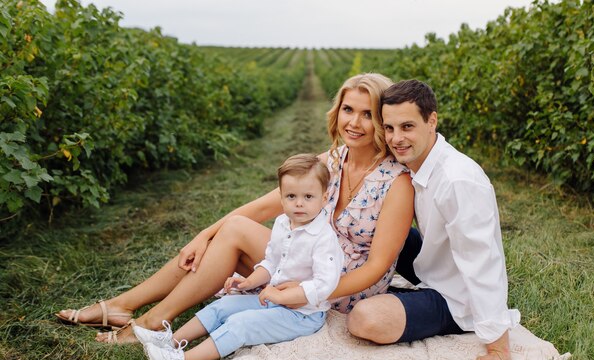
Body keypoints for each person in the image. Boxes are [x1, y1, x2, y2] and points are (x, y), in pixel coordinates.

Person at [55, 73, 414, 344]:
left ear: (382, 120)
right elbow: (258, 209)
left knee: (236, 232)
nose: (353, 122)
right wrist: (201, 235)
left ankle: (151, 322)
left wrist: (308, 292)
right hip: (304, 259)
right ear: (337, 112)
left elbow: (377, 267)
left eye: (367, 114)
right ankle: (126, 306)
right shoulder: (330, 161)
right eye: (348, 110)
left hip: (341, 286)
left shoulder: (395, 183)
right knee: (229, 232)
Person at [346, 79, 520, 360]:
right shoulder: (413, 161)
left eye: (407, 127)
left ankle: (417, 305)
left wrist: (498, 349)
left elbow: (482, 262)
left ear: (432, 121)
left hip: (456, 296)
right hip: (435, 264)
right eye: (389, 128)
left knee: (364, 319)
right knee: (370, 226)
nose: (396, 138)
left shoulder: (457, 180)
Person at [132, 154, 344, 360]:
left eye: (308, 197)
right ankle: (170, 342)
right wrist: (249, 281)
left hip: (303, 314)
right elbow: (271, 262)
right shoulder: (283, 223)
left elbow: (324, 285)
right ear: (281, 198)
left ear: (324, 199)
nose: (299, 203)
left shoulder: (323, 238)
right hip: (273, 299)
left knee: (241, 323)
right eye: (291, 196)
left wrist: (280, 296)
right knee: (224, 305)